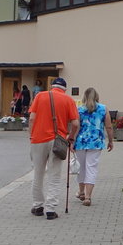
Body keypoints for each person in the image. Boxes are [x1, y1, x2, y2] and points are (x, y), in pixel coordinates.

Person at [28, 78, 79, 220]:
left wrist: (31, 136)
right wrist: (71, 137)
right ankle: (50, 209)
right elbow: (75, 123)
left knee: (38, 173)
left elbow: (32, 118)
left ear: (51, 87)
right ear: (65, 89)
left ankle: (38, 206)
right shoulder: (68, 100)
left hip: (38, 139)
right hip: (58, 141)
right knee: (54, 175)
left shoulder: (40, 96)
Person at [74, 86, 114, 206]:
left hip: (80, 142)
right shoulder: (103, 109)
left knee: (81, 168)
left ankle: (81, 192)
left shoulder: (79, 109)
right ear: (96, 96)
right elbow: (109, 126)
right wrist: (111, 140)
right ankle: (88, 197)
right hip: (96, 142)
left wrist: (72, 141)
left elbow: (76, 126)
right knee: (91, 168)